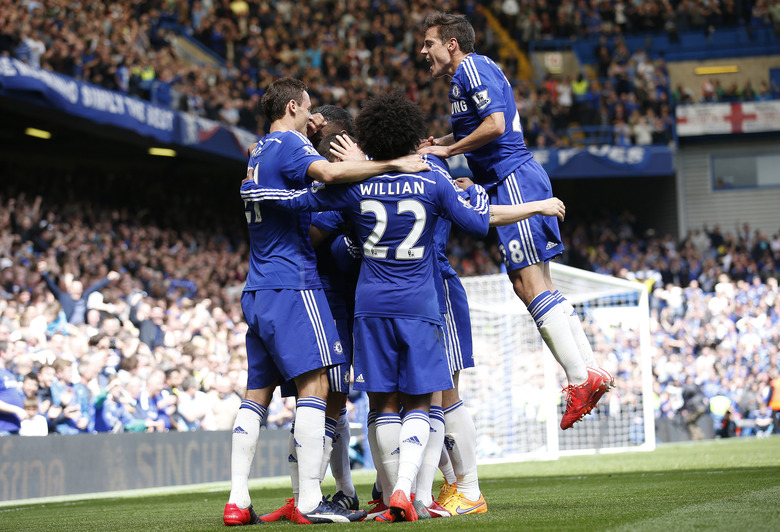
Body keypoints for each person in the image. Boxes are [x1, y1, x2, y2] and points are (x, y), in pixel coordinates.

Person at [240, 91, 565, 522]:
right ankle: (410, 494)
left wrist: (261, 169)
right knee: (428, 402)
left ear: (366, 141)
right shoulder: (434, 177)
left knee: (385, 405)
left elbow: (307, 203)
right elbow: (477, 221)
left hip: (370, 304)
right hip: (422, 298)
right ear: (413, 137)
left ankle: (413, 492)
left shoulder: (356, 188)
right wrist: (532, 204)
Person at [223, 77, 429, 526]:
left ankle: (238, 500)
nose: (313, 119)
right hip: (294, 283)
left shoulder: (258, 151)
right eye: (309, 109)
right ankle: (311, 501)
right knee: (317, 388)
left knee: (255, 394)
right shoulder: (291, 145)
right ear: (294, 106)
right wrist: (394, 164)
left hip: (256, 285)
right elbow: (331, 175)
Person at [418, 12, 613, 434]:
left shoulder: (472, 67)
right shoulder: (465, 77)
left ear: (451, 43)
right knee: (536, 283)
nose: (423, 50)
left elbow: (497, 125)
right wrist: (441, 143)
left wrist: (450, 155)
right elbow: (479, 126)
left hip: (513, 180)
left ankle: (580, 379)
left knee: (529, 284)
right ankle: (590, 370)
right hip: (510, 180)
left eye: (429, 42)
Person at [37, 261, 121, 325]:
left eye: (80, 289)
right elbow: (51, 286)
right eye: (75, 288)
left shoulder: (83, 297)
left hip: (82, 326)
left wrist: (108, 278)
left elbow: (95, 287)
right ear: (70, 289)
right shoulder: (63, 297)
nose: (78, 291)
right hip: (68, 326)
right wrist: (44, 273)